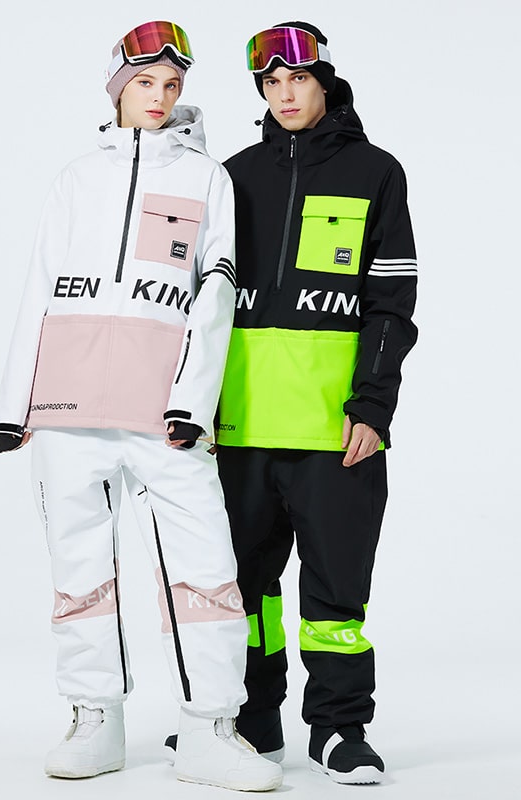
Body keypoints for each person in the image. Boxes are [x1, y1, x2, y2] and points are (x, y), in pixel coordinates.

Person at [0, 20, 282, 792]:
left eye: (172, 85)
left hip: (165, 413)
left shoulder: (206, 178)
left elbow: (216, 292)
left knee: (205, 566)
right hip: (68, 406)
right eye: (146, 83)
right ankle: (96, 718)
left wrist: (192, 400)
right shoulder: (77, 177)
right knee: (78, 565)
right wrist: (14, 402)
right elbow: (40, 283)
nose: (159, 96)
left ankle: (210, 728)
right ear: (118, 87)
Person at [213, 21, 418, 785]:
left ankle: (338, 729)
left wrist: (373, 406)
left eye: (297, 79)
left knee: (335, 595)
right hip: (240, 427)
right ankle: (252, 719)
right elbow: (203, 306)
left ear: (324, 80)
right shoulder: (231, 177)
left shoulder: (376, 172)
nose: (285, 94)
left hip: (336, 430)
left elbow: (392, 303)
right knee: (243, 591)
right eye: (271, 83)